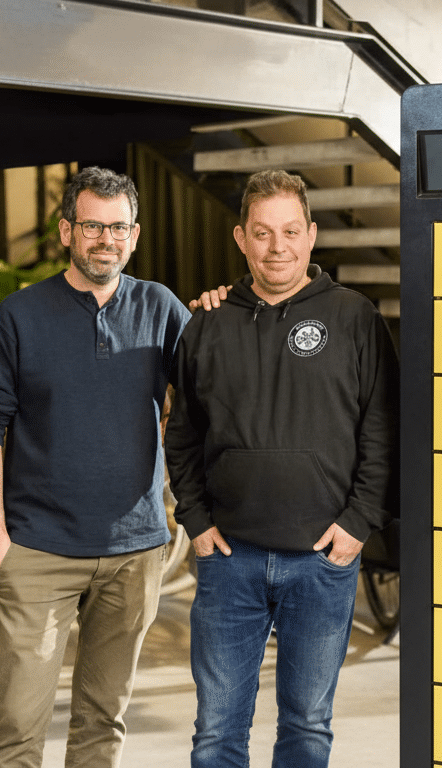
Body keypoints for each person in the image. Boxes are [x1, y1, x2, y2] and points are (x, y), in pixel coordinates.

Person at [165, 169, 399, 768]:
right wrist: (194, 519)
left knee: (306, 729)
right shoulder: (207, 324)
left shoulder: (353, 318)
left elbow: (381, 427)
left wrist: (359, 522)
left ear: (312, 235)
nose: (278, 247)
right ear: (241, 238)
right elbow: (183, 434)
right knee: (217, 733)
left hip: (322, 562)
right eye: (263, 233)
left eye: (291, 231)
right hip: (228, 562)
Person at [0, 166, 190, 768]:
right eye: (92, 225)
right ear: (67, 230)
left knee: (102, 721)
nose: (105, 240)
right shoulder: (19, 316)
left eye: (117, 227)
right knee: (18, 724)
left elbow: (205, 400)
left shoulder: (161, 309)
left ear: (135, 235)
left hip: (133, 551)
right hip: (39, 550)